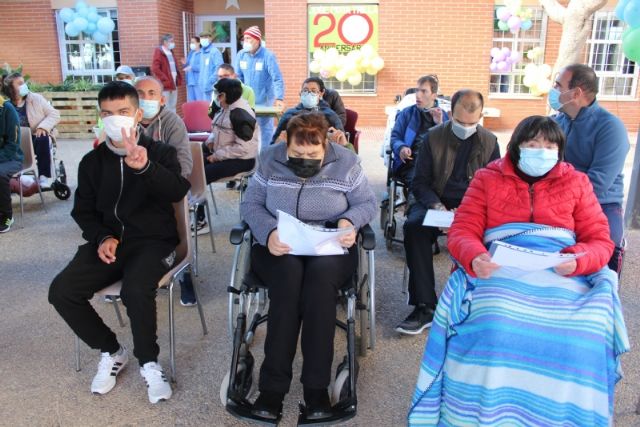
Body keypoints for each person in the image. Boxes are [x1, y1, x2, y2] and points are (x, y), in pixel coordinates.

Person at [408, 115, 629, 426]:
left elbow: (599, 240)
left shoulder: (576, 182)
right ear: (515, 147)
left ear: (560, 150)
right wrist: (475, 258)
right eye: (533, 144)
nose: (542, 151)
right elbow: (463, 230)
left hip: (561, 266)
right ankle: (487, 415)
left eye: (550, 145)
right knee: (496, 323)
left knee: (585, 332)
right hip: (500, 264)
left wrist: (578, 260)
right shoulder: (487, 178)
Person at [48, 81, 190, 404]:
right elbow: (83, 211)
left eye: (123, 112)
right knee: (62, 291)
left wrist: (146, 168)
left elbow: (178, 191)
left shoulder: (160, 153)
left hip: (155, 242)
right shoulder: (91, 163)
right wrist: (101, 237)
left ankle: (149, 362)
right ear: (100, 117)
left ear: (138, 114)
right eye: (108, 114)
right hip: (111, 243)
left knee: (135, 289)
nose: (115, 119)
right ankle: (112, 351)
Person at [240, 112, 376, 420]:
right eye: (297, 153)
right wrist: (268, 231)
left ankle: (316, 391)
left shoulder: (346, 162)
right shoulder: (269, 159)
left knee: (318, 289)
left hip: (327, 242)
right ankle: (271, 391)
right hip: (279, 241)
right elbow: (250, 204)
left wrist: (349, 220)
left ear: (325, 143)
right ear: (285, 142)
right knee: (287, 283)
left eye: (312, 154)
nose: (305, 159)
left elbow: (367, 203)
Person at [396, 89, 499, 335]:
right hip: (435, 200)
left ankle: (478, 304)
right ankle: (425, 306)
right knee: (414, 227)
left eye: (472, 123)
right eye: (461, 122)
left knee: (494, 234)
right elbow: (419, 182)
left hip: (472, 205)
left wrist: (462, 214)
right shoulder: (433, 137)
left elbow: (494, 187)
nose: (466, 127)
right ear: (451, 113)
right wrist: (439, 208)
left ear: (481, 116)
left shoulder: (490, 141)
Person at [550, 64, 630, 275]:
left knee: (607, 246)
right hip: (560, 200)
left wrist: (558, 199)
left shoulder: (610, 127)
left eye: (559, 85)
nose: (554, 90)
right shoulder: (558, 123)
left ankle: (605, 300)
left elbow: (598, 183)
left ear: (576, 93)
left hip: (602, 204)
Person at [193, 77, 258, 234]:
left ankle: (200, 220)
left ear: (224, 95)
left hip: (243, 160)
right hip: (224, 154)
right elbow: (218, 131)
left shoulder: (241, 114)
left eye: (217, 94)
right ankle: (190, 208)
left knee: (202, 174)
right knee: (192, 165)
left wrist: (216, 156)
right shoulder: (225, 108)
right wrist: (210, 141)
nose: (215, 97)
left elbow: (244, 149)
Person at [1, 72, 60, 188]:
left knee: (42, 138)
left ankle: (43, 177)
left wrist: (43, 126)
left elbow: (54, 114)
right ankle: (16, 178)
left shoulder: (36, 99)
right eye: (20, 83)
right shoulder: (6, 106)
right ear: (11, 89)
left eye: (24, 83)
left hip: (35, 136)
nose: (24, 86)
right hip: (17, 140)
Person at [390, 75, 448, 187]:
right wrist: (401, 147)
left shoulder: (443, 116)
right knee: (419, 181)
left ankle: (423, 203)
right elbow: (395, 137)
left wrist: (439, 124)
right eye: (417, 90)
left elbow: (449, 147)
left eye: (424, 91)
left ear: (434, 96)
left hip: (436, 166)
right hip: (410, 163)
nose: (418, 95)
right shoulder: (407, 113)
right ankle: (420, 203)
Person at [234, 26, 285, 149]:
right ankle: (247, 157)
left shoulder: (268, 56)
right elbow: (237, 77)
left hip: (264, 99)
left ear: (257, 40)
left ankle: (264, 157)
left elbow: (277, 78)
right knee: (246, 128)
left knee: (265, 129)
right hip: (246, 100)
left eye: (248, 39)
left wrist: (279, 98)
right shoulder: (241, 55)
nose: (245, 42)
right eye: (244, 39)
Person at [135, 76, 192, 178]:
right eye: (140, 93)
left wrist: (174, 186)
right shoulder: (126, 122)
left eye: (151, 93)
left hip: (165, 182)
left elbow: (183, 161)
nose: (145, 98)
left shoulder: (173, 122)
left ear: (162, 100)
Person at [271, 77, 351, 150]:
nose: (309, 94)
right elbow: (273, 145)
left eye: (313, 91)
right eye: (305, 90)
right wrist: (280, 141)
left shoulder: (330, 115)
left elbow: (343, 147)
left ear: (321, 93)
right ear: (300, 93)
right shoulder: (290, 114)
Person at [0, 95, 22, 233]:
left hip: (11, 158)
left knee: (0, 174)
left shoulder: (7, 109)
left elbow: (13, 145)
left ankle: (6, 216)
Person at [151, 33, 182, 111]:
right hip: (166, 84)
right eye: (171, 41)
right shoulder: (159, 51)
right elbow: (155, 68)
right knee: (165, 105)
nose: (173, 43)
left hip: (173, 83)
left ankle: (173, 122)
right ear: (165, 42)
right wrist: (164, 79)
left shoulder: (171, 52)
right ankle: (167, 122)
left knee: (173, 105)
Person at [198, 32, 224, 102]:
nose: (203, 39)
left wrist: (210, 81)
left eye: (206, 37)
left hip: (212, 88)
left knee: (212, 110)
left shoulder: (214, 52)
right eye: (202, 38)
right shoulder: (202, 53)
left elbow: (219, 68)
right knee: (205, 110)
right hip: (203, 88)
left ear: (210, 39)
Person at [182, 37, 203, 102]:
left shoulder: (202, 53)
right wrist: (185, 64)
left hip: (198, 81)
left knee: (199, 102)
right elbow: (188, 65)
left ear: (199, 43)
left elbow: (202, 67)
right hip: (190, 81)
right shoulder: (191, 53)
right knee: (191, 102)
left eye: (193, 42)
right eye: (191, 42)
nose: (191, 44)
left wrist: (192, 67)